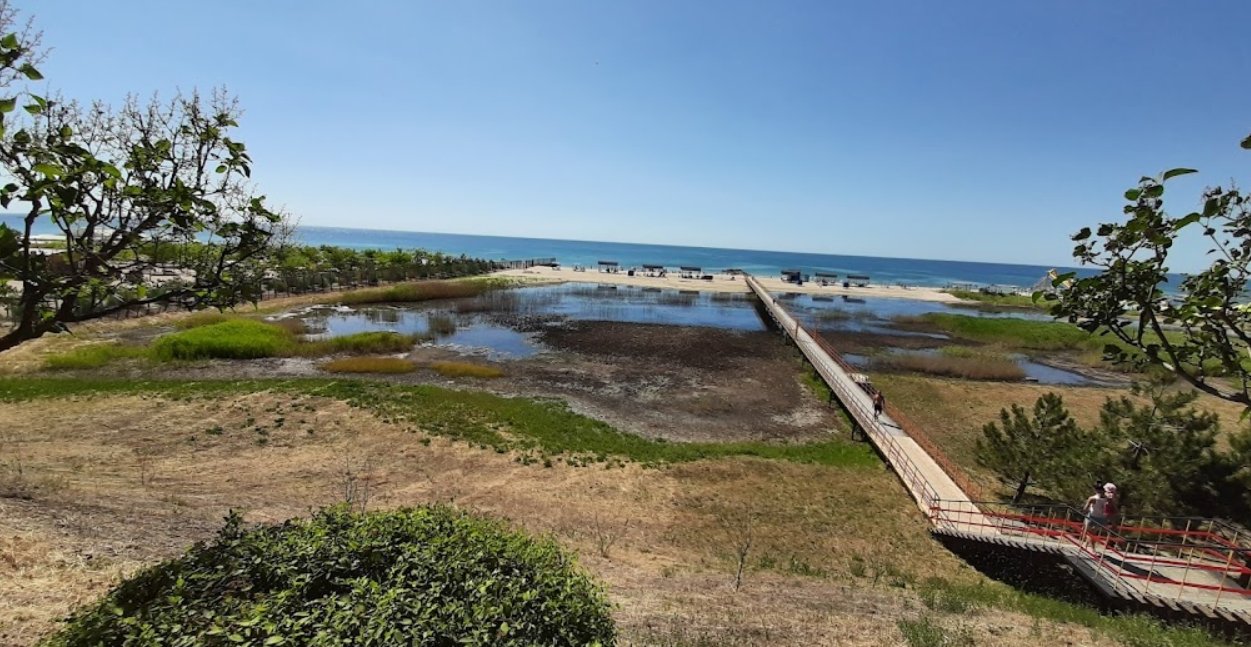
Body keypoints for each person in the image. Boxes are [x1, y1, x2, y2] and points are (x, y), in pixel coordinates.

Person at [1083, 482, 1117, 548]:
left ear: (1095, 490)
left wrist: (1086, 511)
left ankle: (1092, 548)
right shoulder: (1107, 499)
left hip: (1092, 517)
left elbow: (1085, 508)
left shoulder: (1093, 498)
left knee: (1089, 533)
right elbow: (1114, 508)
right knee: (1092, 533)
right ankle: (1086, 545)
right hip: (1100, 517)